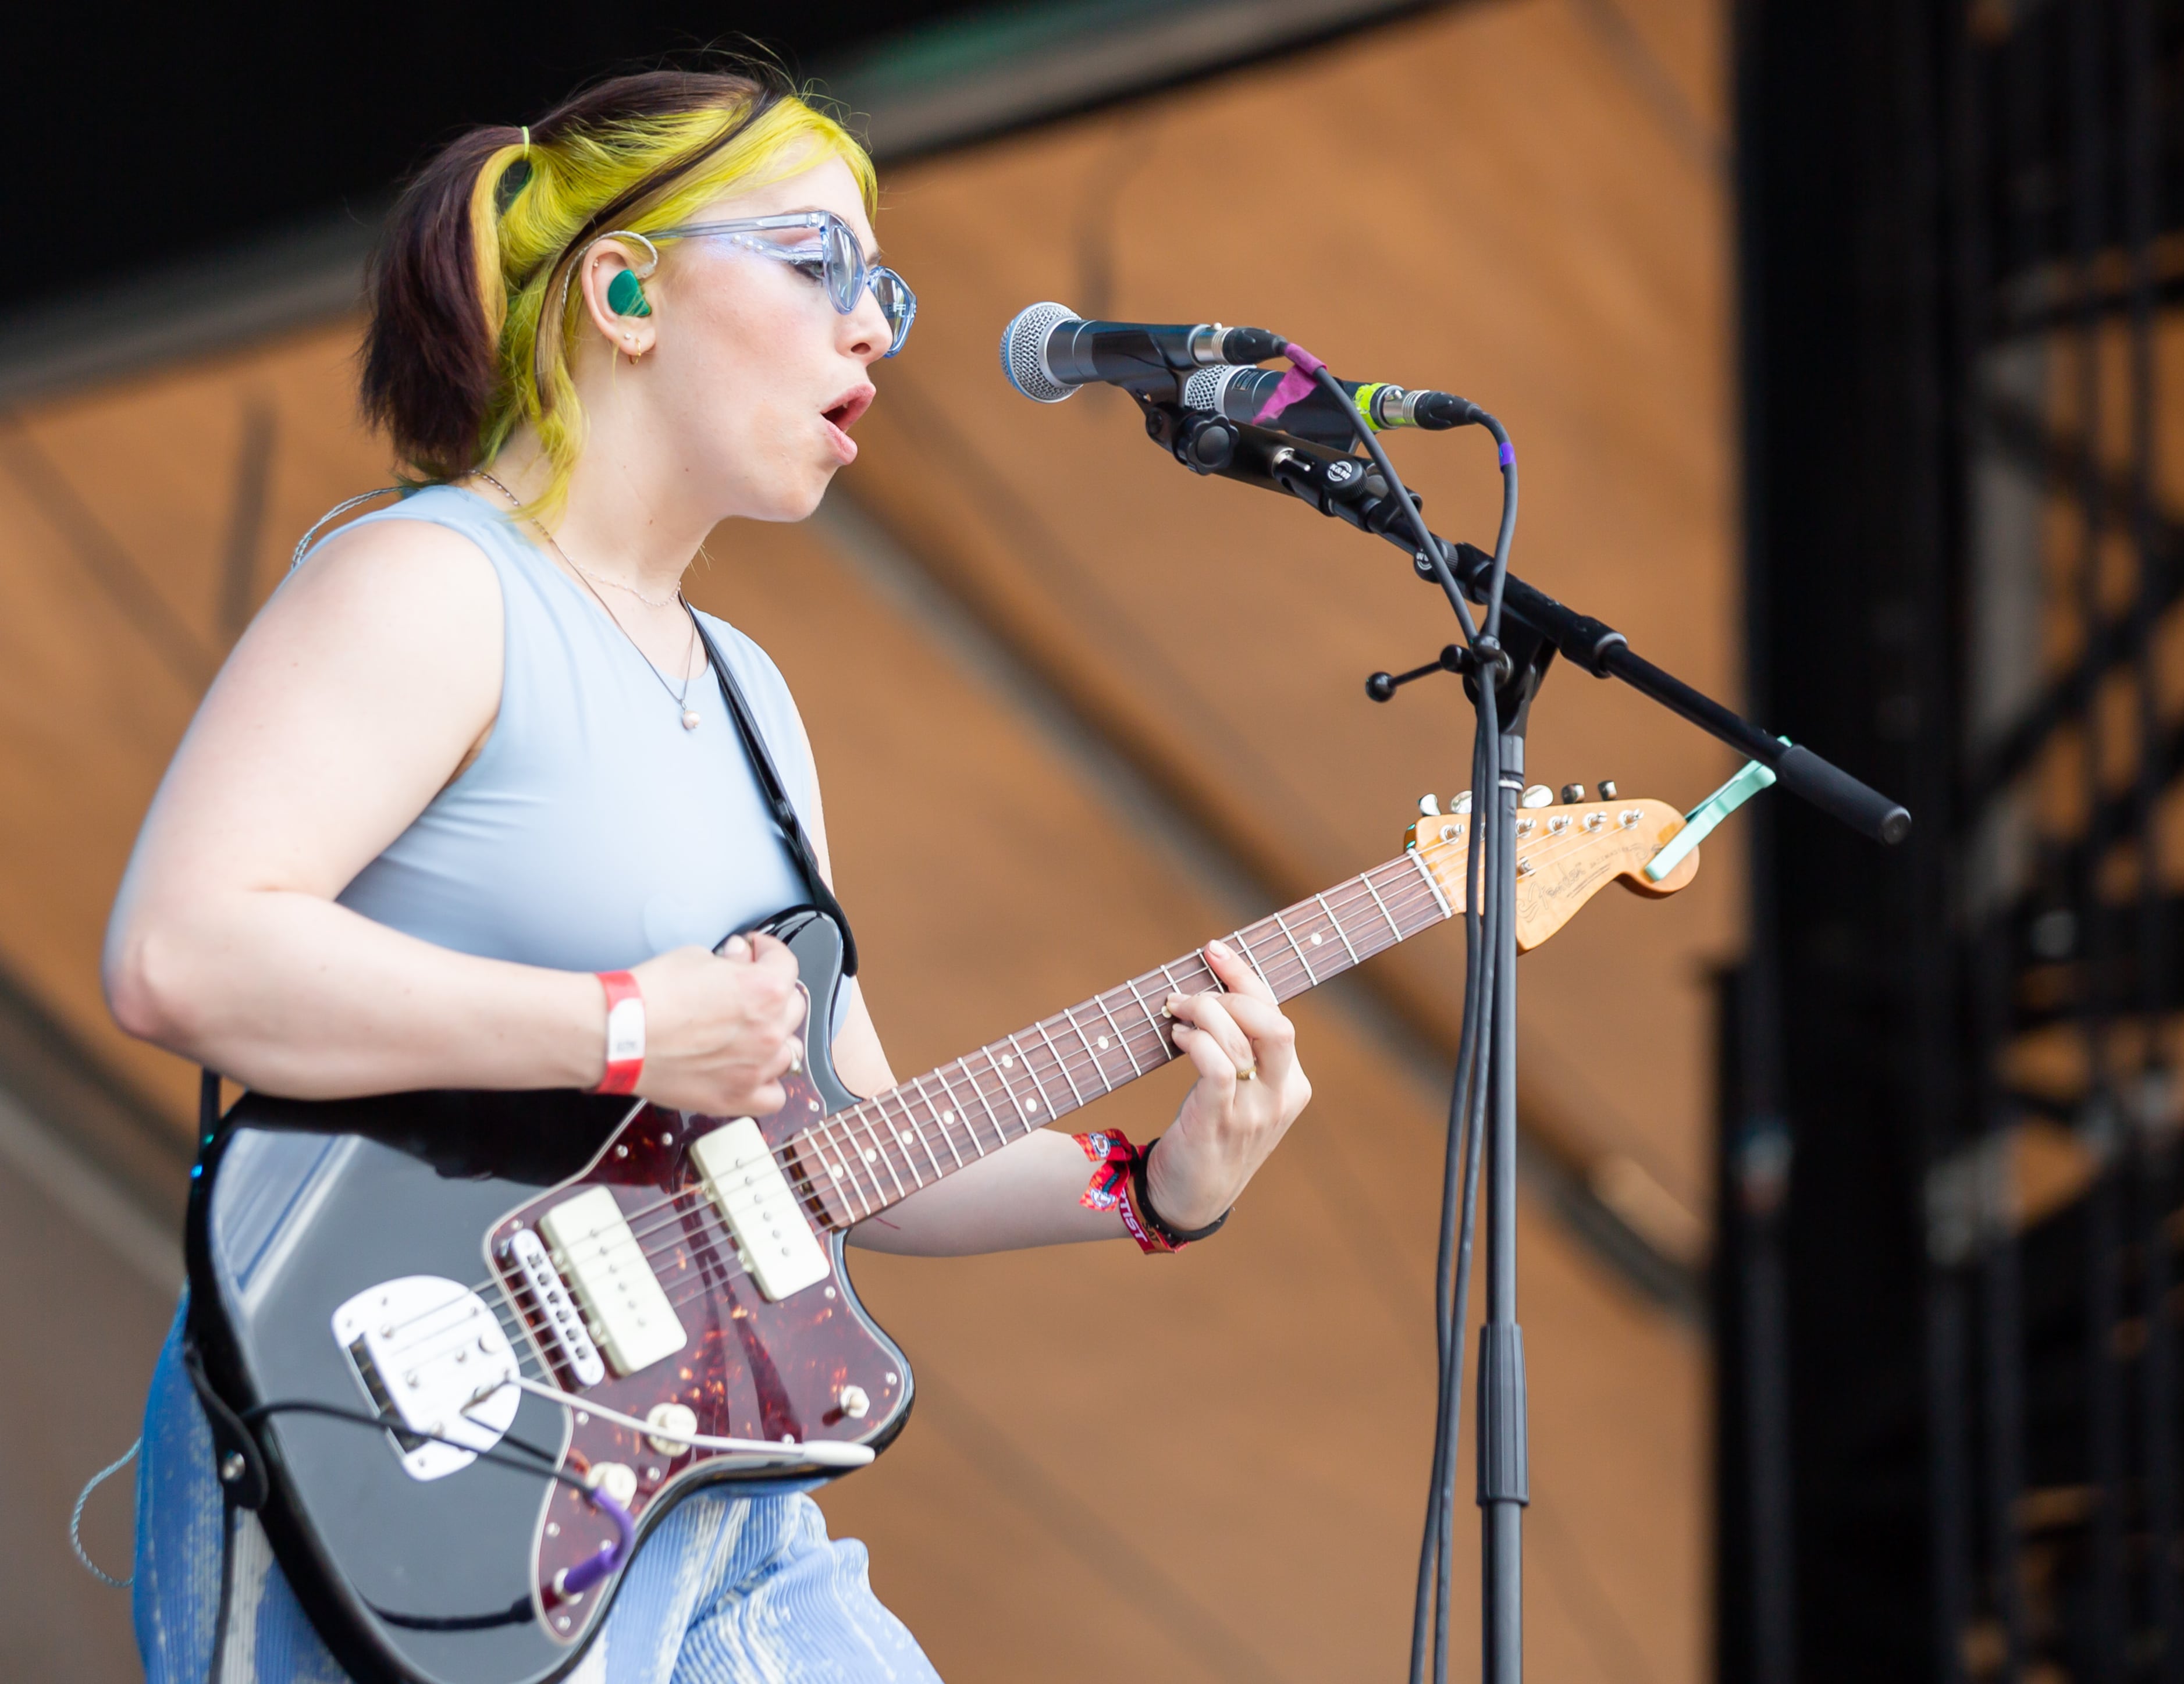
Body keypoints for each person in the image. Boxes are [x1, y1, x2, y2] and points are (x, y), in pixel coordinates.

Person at [102, 64, 1312, 1683]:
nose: (871, 328)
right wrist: (624, 1029)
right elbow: (180, 955)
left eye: (883, 290)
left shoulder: (748, 694)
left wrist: (1151, 1190)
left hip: (722, 1500)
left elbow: (851, 1142)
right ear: (625, 294)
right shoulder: (431, 584)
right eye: (818, 265)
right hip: (409, 1460)